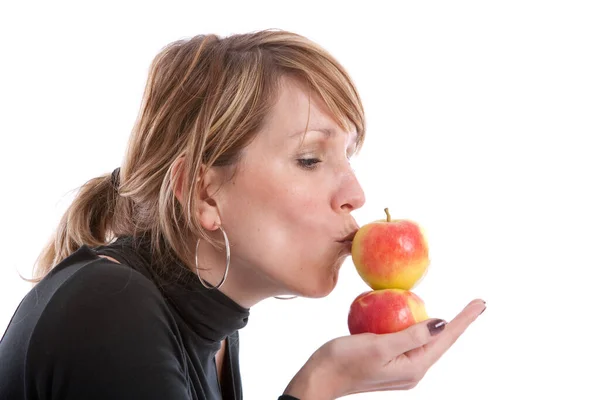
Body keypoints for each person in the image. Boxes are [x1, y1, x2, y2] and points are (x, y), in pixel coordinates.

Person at [0, 29, 486, 400]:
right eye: (310, 159)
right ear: (203, 193)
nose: (355, 194)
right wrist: (318, 384)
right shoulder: (111, 311)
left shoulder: (214, 333)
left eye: (348, 158)